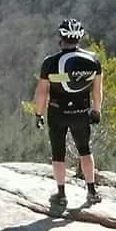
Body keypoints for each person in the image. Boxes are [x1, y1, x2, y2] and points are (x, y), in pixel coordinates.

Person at [33, 18, 103, 206]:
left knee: (58, 154)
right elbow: (97, 91)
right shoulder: (93, 61)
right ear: (79, 38)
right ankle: (91, 191)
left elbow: (41, 92)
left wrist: (38, 114)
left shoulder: (50, 63)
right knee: (85, 150)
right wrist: (96, 111)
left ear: (61, 37)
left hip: (57, 112)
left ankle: (61, 194)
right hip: (81, 111)